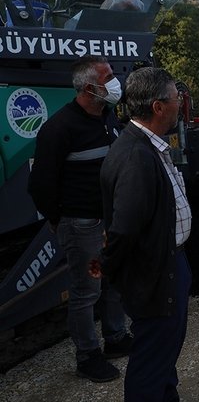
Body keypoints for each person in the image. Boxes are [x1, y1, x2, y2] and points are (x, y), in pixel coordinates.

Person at [27, 55, 130, 382]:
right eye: (108, 77)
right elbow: (40, 184)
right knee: (87, 291)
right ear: (89, 88)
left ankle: (116, 337)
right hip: (82, 224)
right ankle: (87, 356)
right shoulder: (59, 128)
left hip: (111, 220)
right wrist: (62, 221)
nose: (116, 83)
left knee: (113, 281)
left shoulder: (108, 117)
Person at [99, 67, 191, 402]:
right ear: (158, 107)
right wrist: (114, 270)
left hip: (165, 263)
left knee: (164, 349)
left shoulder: (145, 146)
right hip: (153, 274)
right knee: (151, 358)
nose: (180, 104)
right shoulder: (137, 156)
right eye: (175, 98)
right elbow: (124, 230)